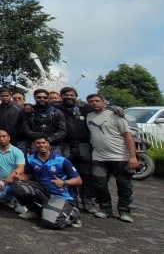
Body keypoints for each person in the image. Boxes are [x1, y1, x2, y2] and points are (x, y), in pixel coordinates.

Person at [86, 93, 138, 223]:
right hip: (99, 156)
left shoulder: (116, 115)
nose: (94, 103)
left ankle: (124, 210)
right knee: (99, 184)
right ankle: (105, 208)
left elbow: (128, 136)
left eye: (97, 101)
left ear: (103, 101)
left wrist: (132, 156)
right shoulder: (88, 116)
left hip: (120, 156)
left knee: (124, 185)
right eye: (91, 101)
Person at [10, 136, 82, 226]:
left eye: (44, 143)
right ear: (33, 145)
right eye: (38, 143)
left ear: (48, 144)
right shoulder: (31, 159)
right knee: (17, 187)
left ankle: (72, 214)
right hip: (43, 191)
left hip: (62, 196)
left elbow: (78, 180)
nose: (41, 145)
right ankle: (36, 211)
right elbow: (27, 175)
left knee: (51, 223)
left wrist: (64, 182)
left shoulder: (62, 160)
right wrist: (19, 178)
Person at [57, 87, 95, 212]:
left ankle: (87, 201)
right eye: (66, 95)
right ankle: (72, 200)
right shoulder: (57, 108)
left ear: (76, 96)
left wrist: (117, 109)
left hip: (83, 144)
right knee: (69, 174)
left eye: (72, 95)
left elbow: (102, 107)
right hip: (66, 145)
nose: (69, 97)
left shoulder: (84, 108)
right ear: (61, 96)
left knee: (86, 174)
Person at [0, 129, 26, 213]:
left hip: (15, 180)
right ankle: (10, 199)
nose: (2, 139)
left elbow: (20, 168)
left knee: (19, 188)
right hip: (1, 181)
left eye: (4, 136)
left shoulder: (17, 151)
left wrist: (10, 178)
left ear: (9, 137)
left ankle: (18, 202)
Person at [0, 87, 26, 152]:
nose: (5, 97)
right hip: (2, 140)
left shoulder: (20, 108)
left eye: (6, 95)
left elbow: (25, 123)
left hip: (19, 141)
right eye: (2, 96)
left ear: (10, 95)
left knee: (20, 160)